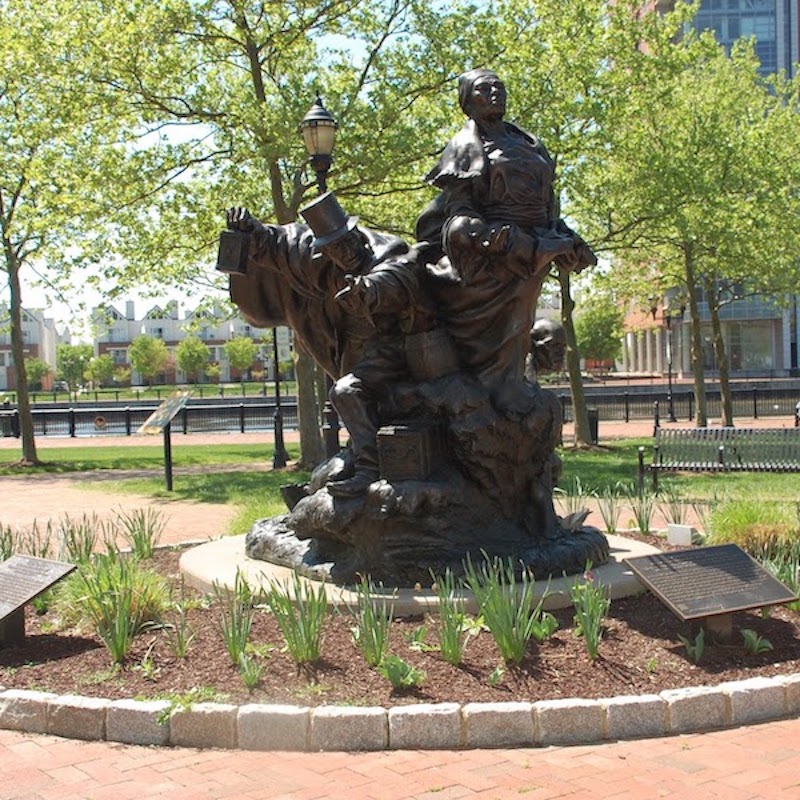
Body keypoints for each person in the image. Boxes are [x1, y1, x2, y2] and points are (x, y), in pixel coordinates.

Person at [421, 68, 596, 391]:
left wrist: (569, 237)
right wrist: (489, 236)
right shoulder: (464, 145)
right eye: (484, 89)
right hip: (497, 250)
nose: (494, 93)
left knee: (519, 322)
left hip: (535, 248)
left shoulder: (529, 143)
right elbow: (460, 208)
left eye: (499, 87)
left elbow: (548, 207)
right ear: (467, 102)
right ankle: (497, 399)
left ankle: (509, 395)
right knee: (504, 329)